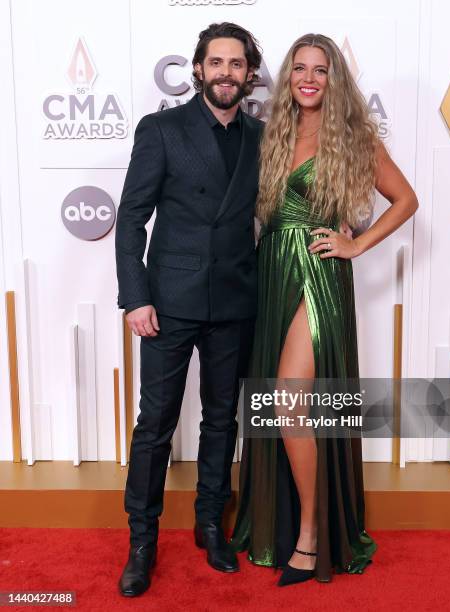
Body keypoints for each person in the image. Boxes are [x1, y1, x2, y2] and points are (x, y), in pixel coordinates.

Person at [231, 33, 418, 586]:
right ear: (288, 76)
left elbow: (406, 200)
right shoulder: (270, 135)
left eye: (322, 70)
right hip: (272, 272)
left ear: (335, 79)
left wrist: (357, 244)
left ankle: (312, 532)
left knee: (289, 403)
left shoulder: (354, 137)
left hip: (317, 274)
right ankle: (287, 521)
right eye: (300, 69)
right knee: (283, 405)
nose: (309, 78)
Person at [115, 22, 263, 597]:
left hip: (234, 299)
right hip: (168, 303)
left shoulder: (261, 135)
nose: (225, 72)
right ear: (197, 69)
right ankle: (142, 540)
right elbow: (131, 219)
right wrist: (136, 297)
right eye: (215, 62)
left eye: (236, 64)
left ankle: (210, 525)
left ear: (249, 74)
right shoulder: (162, 129)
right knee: (156, 425)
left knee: (222, 419)